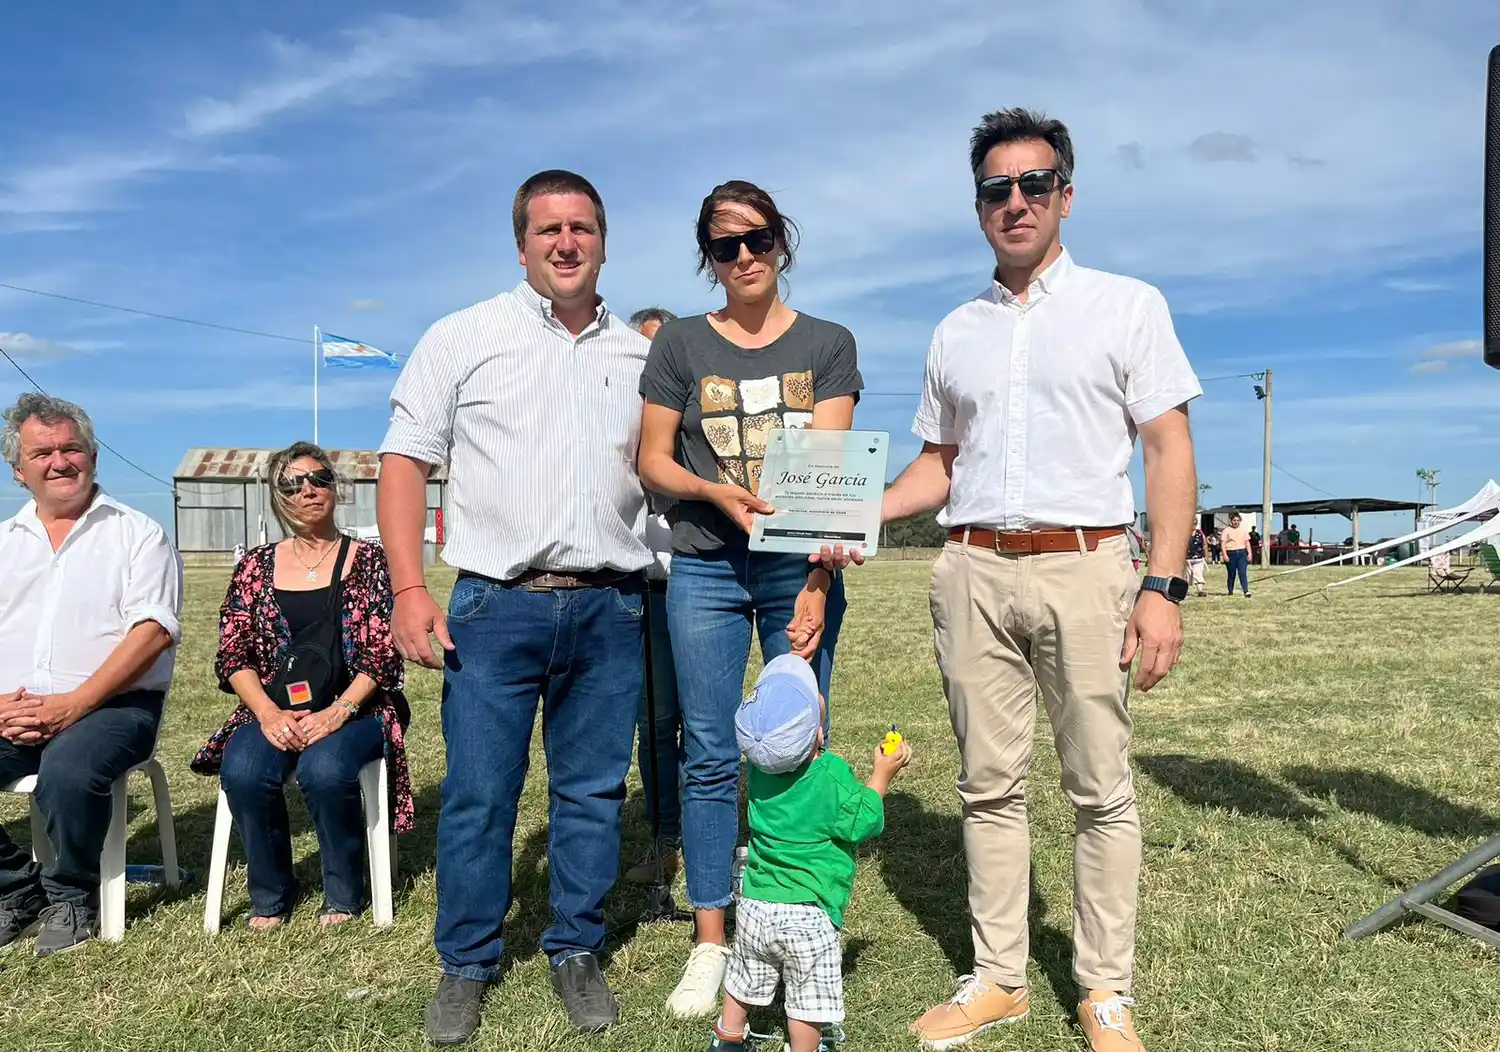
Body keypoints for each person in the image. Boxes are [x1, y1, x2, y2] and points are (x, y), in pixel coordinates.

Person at [875, 110, 1200, 1051]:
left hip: (1088, 567)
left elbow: (1167, 448)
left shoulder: (1127, 306)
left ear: (1066, 194)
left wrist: (1163, 588)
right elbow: (939, 464)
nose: (1014, 201)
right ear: (978, 205)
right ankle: (1000, 979)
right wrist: (854, 516)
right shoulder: (955, 331)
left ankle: (1104, 991)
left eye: (1034, 183)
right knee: (987, 786)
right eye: (996, 188)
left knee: (1100, 788)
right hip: (973, 569)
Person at [377, 169, 651, 1043]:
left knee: (593, 792)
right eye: (548, 229)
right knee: (480, 795)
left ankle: (576, 947)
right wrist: (409, 588)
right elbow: (403, 462)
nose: (566, 243)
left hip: (611, 609)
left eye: (582, 228)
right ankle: (466, 961)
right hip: (495, 608)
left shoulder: (641, 357)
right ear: (521, 244)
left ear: (603, 241)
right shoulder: (464, 336)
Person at [637, 179, 863, 1019]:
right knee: (706, 751)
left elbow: (834, 482)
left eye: (757, 239)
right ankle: (712, 939)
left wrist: (818, 581)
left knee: (795, 746)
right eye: (725, 245)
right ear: (708, 257)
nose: (744, 257)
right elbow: (652, 460)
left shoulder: (829, 343)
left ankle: (798, 918)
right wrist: (713, 491)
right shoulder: (681, 345)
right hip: (704, 565)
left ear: (781, 242)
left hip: (794, 570)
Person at [190, 442, 414, 930]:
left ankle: (345, 890)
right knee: (244, 769)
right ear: (278, 496)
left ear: (335, 487)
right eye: (293, 484)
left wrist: (338, 712)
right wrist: (268, 714)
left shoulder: (371, 561)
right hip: (274, 708)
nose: (308, 490)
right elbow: (233, 654)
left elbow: (383, 652)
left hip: (360, 706)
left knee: (326, 768)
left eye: (319, 479)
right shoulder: (254, 567)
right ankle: (272, 891)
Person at [0, 393, 182, 954]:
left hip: (113, 705)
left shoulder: (137, 534)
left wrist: (74, 704)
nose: (60, 461)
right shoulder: (4, 543)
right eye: (42, 453)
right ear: (18, 470)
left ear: (93, 457)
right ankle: (16, 887)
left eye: (71, 448)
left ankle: (72, 895)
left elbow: (152, 632)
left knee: (69, 771)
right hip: (15, 705)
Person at [706, 655, 911, 1052]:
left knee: (745, 976)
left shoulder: (759, 772)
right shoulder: (830, 774)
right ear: (818, 735)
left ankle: (728, 1036)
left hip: (756, 905)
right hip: (810, 914)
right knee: (806, 1000)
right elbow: (863, 821)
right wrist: (882, 774)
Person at [624, 306, 685, 886]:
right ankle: (665, 838)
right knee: (657, 722)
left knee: (705, 722)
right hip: (641, 593)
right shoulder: (620, 426)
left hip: (694, 583)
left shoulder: (692, 423)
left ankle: (710, 832)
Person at [1222, 513, 1252, 597]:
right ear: (1231, 521)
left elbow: (1247, 542)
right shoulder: (1226, 530)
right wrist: (1224, 555)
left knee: (1242, 572)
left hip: (1242, 553)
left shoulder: (1243, 530)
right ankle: (1230, 591)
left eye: (1238, 520)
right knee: (1231, 574)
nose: (1236, 522)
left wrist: (1249, 553)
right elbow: (1223, 544)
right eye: (1234, 520)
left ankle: (1246, 591)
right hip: (1230, 553)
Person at [1186, 524, 1208, 597]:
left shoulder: (1200, 533)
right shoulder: (1184, 533)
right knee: (1188, 576)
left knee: (1198, 574)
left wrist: (1206, 555)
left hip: (1198, 558)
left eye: (1195, 523)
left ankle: (1200, 591)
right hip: (1187, 559)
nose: (1193, 525)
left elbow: (1204, 544)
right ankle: (1184, 591)